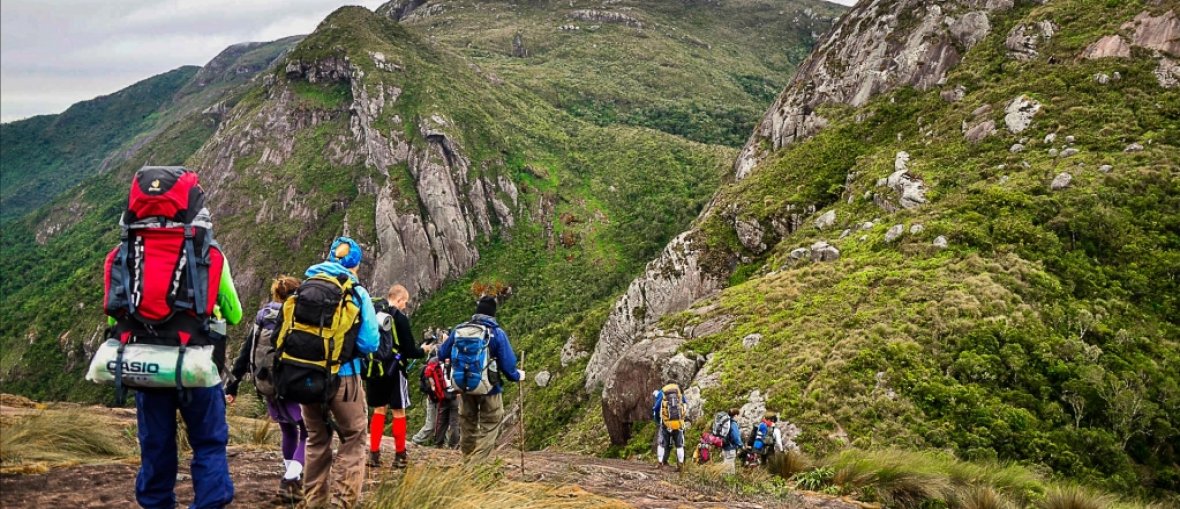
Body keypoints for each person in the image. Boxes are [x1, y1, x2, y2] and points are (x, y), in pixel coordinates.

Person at [299, 237, 379, 508]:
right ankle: (341, 504)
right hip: (344, 378)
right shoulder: (356, 291)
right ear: (356, 263)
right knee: (353, 438)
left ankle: (313, 503)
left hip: (306, 376)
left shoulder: (306, 285)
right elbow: (369, 342)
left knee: (317, 439)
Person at [225, 275, 306, 501]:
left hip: (267, 384)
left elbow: (245, 354)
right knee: (309, 432)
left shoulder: (262, 317)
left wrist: (232, 386)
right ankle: (291, 479)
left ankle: (292, 481)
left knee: (288, 430)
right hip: (291, 384)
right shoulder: (295, 316)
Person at [437, 296, 524, 463]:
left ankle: (467, 459)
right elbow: (508, 364)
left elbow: (442, 354)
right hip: (489, 387)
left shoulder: (459, 330)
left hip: (464, 386)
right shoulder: (496, 333)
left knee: (467, 422)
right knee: (490, 422)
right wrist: (517, 375)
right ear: (493, 313)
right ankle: (475, 466)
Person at [366, 284, 433, 469]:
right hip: (395, 371)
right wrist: (424, 350)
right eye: (405, 302)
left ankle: (373, 454)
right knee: (398, 411)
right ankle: (400, 455)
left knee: (379, 410)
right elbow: (410, 350)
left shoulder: (372, 314)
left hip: (375, 369)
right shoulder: (400, 318)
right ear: (398, 299)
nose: (405, 305)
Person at [410, 330, 441, 446]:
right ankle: (414, 442)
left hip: (433, 397)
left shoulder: (429, 365)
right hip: (437, 397)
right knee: (433, 425)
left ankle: (415, 441)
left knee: (432, 425)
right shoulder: (435, 365)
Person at [651, 383, 687, 471]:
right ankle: (681, 465)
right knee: (679, 445)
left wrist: (657, 419)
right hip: (678, 423)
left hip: (666, 423)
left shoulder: (662, 392)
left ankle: (660, 463)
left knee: (661, 444)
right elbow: (685, 404)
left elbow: (656, 408)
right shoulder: (679, 391)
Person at [432, 356, 460, 448]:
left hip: (443, 394)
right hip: (456, 394)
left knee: (441, 420)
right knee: (454, 421)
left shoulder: (438, 365)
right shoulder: (457, 364)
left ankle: (438, 443)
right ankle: (453, 444)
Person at [720, 408, 742, 474]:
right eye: (739, 416)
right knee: (730, 467)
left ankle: (723, 480)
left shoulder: (726, 423)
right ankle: (729, 482)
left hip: (724, 448)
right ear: (735, 415)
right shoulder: (733, 424)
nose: (739, 417)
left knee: (726, 464)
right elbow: (736, 437)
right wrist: (741, 445)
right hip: (731, 449)